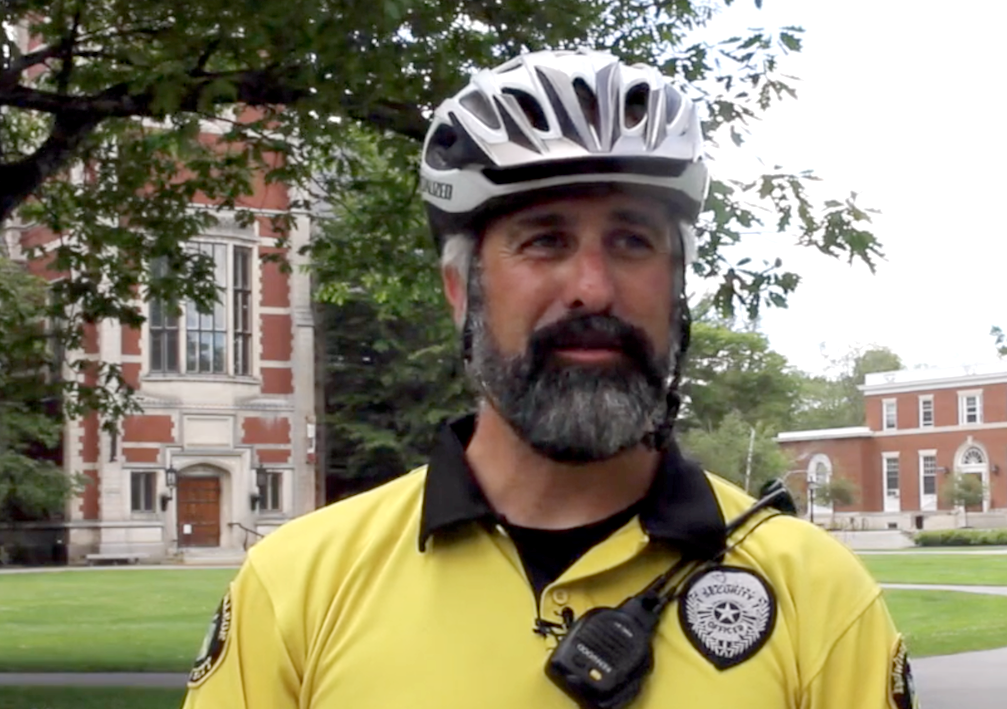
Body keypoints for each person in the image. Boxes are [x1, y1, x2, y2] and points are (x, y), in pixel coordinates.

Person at [180, 48, 916, 709]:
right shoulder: (296, 588)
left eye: (632, 240)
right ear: (460, 291)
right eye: (545, 240)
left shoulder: (816, 594)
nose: (592, 288)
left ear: (677, 288)